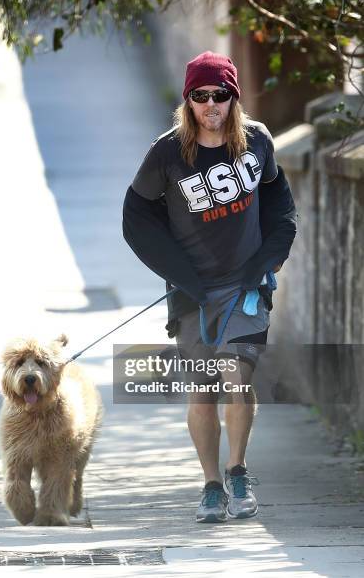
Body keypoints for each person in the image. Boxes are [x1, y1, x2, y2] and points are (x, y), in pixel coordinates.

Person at [122, 50, 297, 523]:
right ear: (189, 101)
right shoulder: (167, 152)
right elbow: (137, 215)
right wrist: (178, 270)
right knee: (201, 391)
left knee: (237, 377)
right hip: (193, 292)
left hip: (245, 287)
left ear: (233, 99)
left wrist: (267, 257)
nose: (211, 105)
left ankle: (237, 471)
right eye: (201, 97)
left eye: (220, 95)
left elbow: (279, 198)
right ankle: (211, 485)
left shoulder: (256, 141)